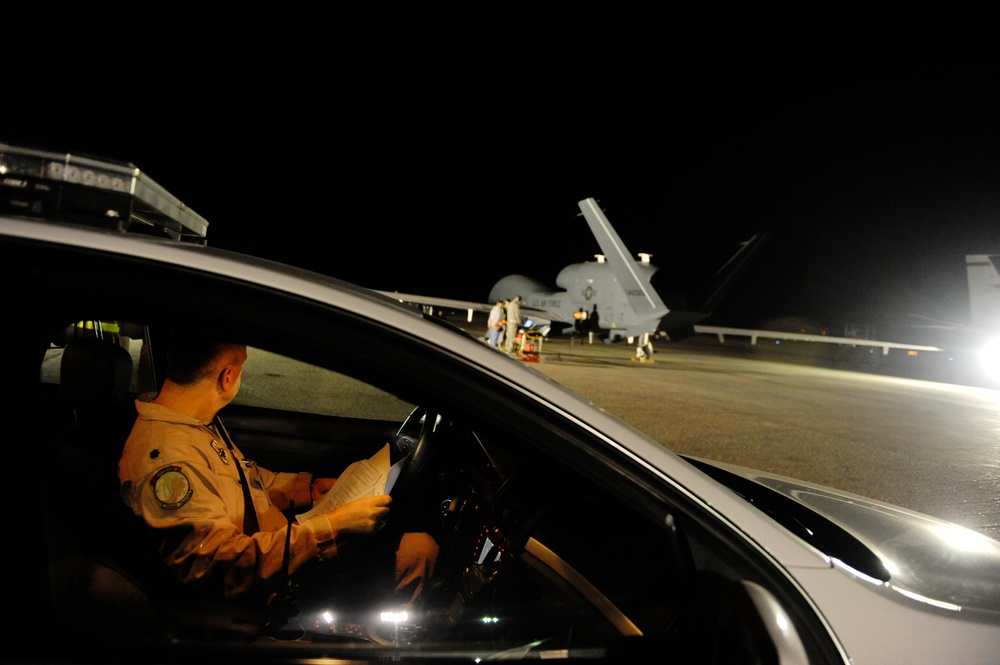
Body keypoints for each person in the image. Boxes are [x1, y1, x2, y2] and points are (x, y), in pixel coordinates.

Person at [118, 329, 438, 619]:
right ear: (227, 377)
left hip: (279, 547)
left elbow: (242, 478)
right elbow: (218, 567)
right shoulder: (168, 462)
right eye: (241, 365)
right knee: (417, 551)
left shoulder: (192, 423)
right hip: (265, 590)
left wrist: (306, 489)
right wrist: (332, 529)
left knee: (412, 544)